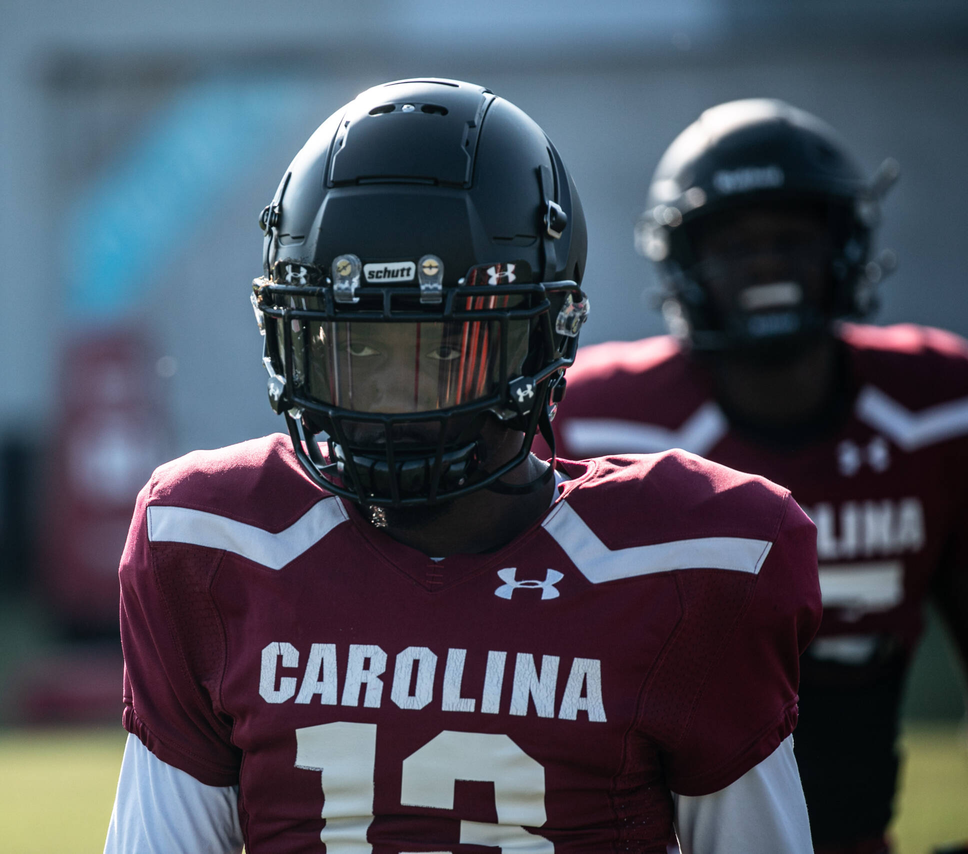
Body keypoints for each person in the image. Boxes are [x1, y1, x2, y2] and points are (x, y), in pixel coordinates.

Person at [107, 80, 821, 853]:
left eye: (442, 350)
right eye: (358, 351)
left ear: (548, 335)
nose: (389, 398)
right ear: (292, 340)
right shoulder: (211, 542)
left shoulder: (688, 565)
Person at [545, 99, 968, 854]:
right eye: (734, 244)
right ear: (683, 262)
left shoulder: (939, 410)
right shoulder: (601, 419)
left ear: (845, 244)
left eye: (792, 238)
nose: (767, 262)